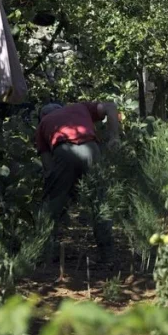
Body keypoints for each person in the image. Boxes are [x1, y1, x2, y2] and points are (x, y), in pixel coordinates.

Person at [36, 99, 120, 261]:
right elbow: (111, 106)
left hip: (63, 150)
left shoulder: (42, 124)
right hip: (91, 148)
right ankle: (107, 254)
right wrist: (114, 137)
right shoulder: (79, 107)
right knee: (99, 201)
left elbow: (48, 168)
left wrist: (64, 193)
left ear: (42, 115)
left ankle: (44, 252)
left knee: (51, 204)